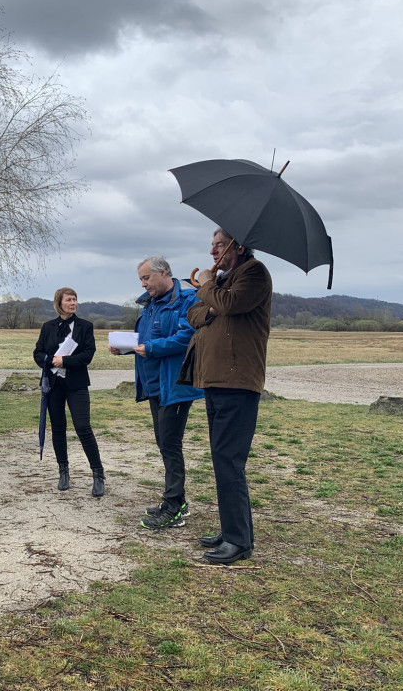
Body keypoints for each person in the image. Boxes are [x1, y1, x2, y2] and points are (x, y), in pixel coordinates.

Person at [181, 227, 272, 564]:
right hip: (215, 380)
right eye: (212, 245)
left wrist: (208, 287)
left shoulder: (254, 273)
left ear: (239, 245)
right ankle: (231, 528)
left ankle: (239, 541)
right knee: (221, 460)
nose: (213, 251)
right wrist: (211, 300)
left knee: (229, 460)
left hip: (238, 381)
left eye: (219, 244)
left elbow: (231, 304)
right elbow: (193, 315)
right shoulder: (222, 279)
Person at [110, 256, 203, 530]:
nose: (143, 284)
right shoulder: (149, 304)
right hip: (152, 385)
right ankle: (176, 500)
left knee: (171, 445)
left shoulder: (187, 299)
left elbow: (187, 337)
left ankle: (174, 507)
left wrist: (150, 349)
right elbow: (145, 340)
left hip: (174, 385)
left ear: (163, 273)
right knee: (164, 443)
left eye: (146, 278)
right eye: (141, 279)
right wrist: (125, 347)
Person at [33, 287, 105, 497]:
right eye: (69, 300)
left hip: (77, 384)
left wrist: (65, 360)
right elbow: (38, 352)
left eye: (75, 300)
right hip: (54, 385)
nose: (73, 303)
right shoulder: (48, 327)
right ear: (59, 303)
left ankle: (98, 474)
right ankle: (63, 471)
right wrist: (49, 361)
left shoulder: (85, 327)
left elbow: (88, 355)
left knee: (83, 427)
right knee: (58, 428)